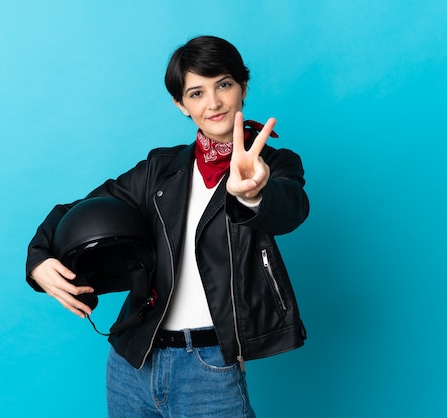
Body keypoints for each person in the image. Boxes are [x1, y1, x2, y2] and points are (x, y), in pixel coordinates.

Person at [26, 35, 309, 418]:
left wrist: (253, 192)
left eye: (223, 84)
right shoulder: (160, 169)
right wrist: (39, 258)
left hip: (210, 366)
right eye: (196, 93)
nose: (213, 103)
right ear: (181, 105)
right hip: (134, 358)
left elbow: (292, 209)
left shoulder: (275, 163)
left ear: (243, 87)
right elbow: (77, 208)